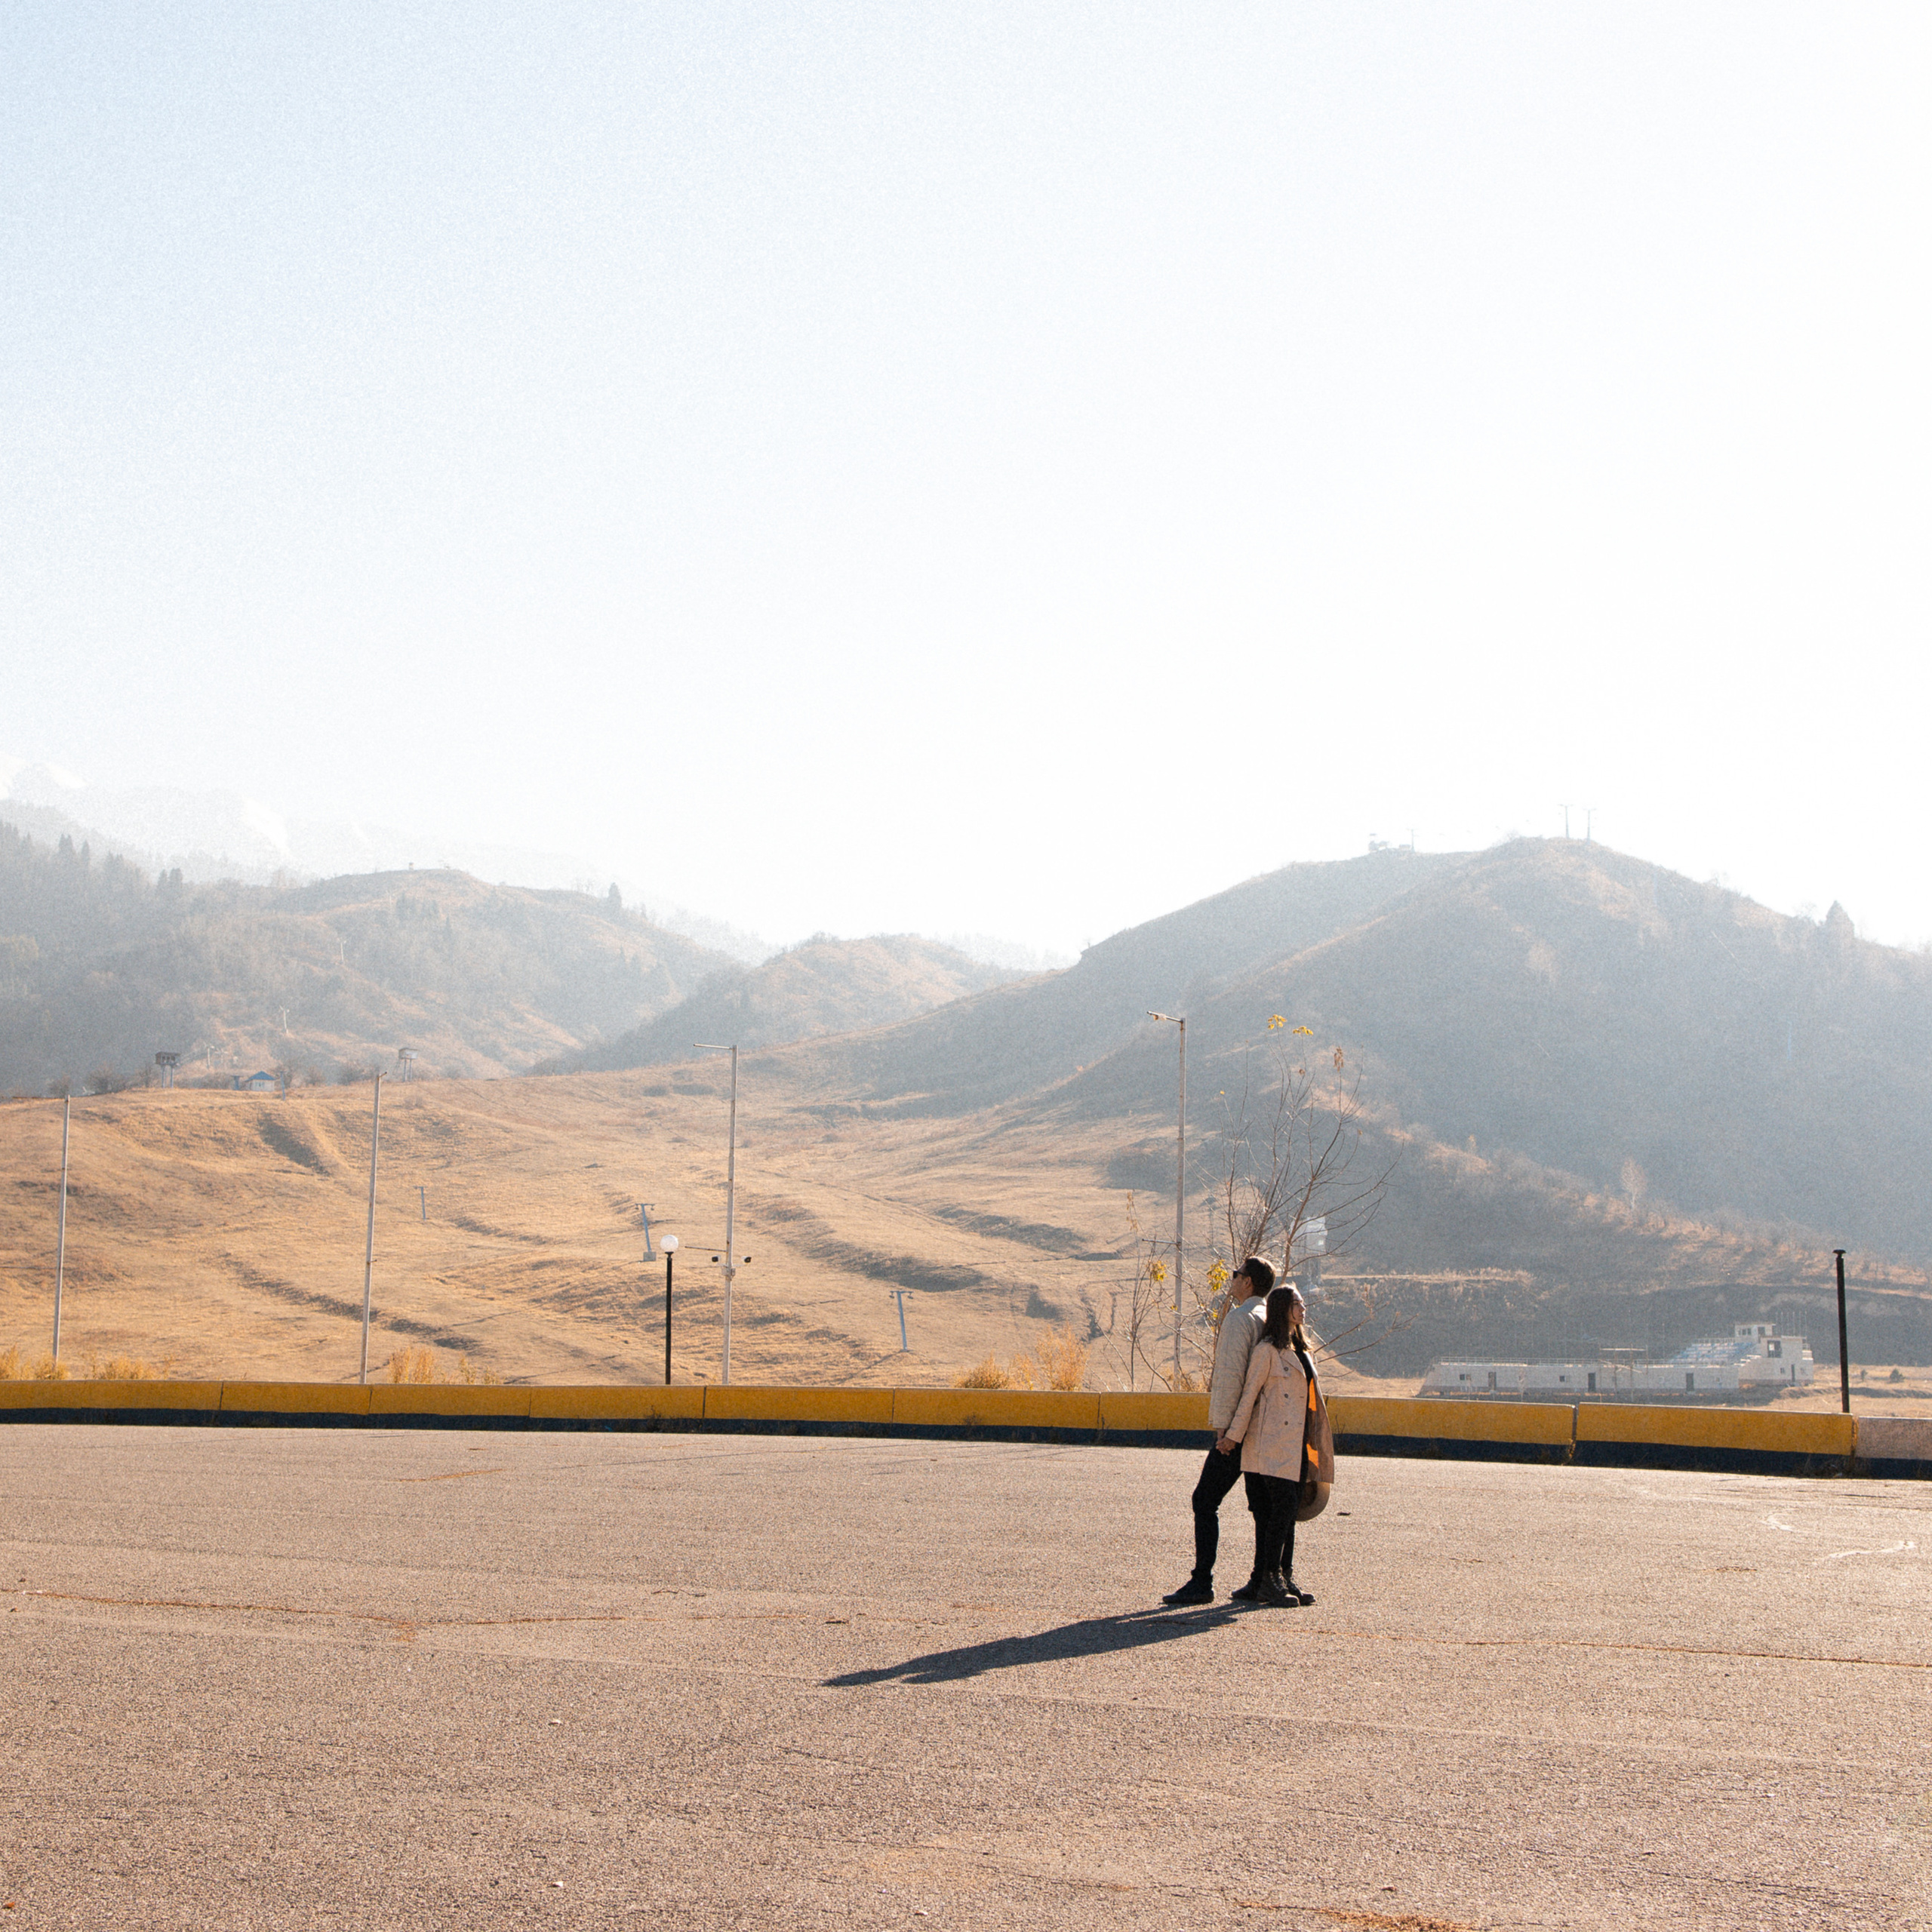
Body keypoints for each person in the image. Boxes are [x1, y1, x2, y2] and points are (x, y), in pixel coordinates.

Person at [1161, 1256, 1274, 1606]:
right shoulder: (1270, 1319)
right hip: (1264, 1429)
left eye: (1237, 1274)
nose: (1234, 1278)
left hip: (1237, 1430)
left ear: (1248, 1283)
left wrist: (1225, 1430)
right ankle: (1262, 1578)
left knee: (1204, 1500)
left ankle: (1202, 1581)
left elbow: (1230, 1378)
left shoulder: (1240, 1319)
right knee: (1262, 1508)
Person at [1222, 1283, 1331, 1607]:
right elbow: (1249, 1396)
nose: (1303, 1309)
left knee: (1289, 1511)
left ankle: (1280, 1576)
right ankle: (1269, 1579)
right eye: (1298, 1303)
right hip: (1268, 1444)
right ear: (1283, 1308)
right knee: (1279, 1512)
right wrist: (1232, 1436)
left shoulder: (1303, 1350)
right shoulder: (1266, 1350)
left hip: (1297, 1445)